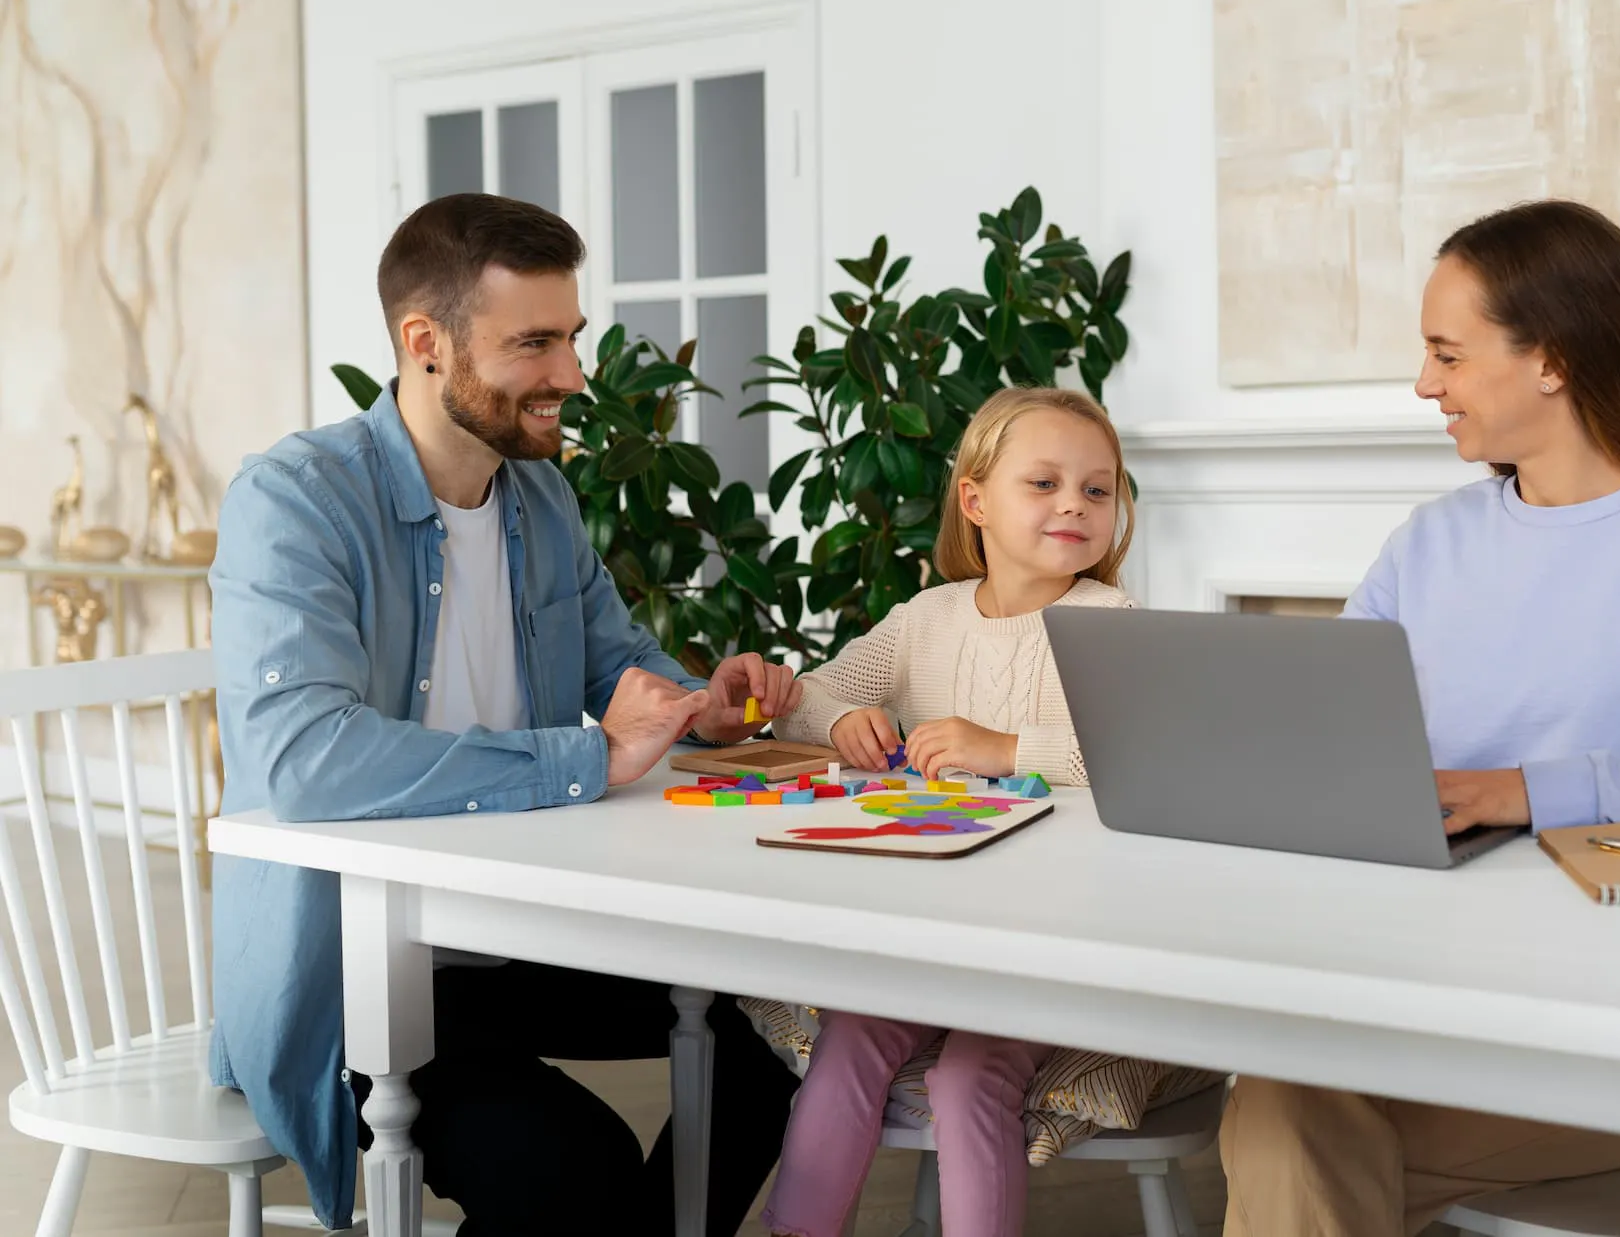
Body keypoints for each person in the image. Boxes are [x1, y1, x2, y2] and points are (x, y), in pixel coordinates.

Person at [1219, 199, 1620, 1236]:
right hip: (1422, 993)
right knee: (1286, 1100)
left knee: (1282, 1120)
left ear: (1551, 359)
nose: (1422, 383)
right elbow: (1322, 745)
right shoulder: (1425, 543)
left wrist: (1529, 789)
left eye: (1445, 353)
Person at [208, 193, 806, 1235]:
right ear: (425, 343)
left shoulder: (540, 501)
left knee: (791, 1027)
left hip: (523, 937)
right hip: (363, 978)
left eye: (569, 336)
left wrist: (702, 706)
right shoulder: (294, 501)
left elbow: (620, 670)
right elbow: (304, 762)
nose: (572, 376)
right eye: (534, 342)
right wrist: (579, 760)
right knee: (575, 1167)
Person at [760, 387, 1139, 1237]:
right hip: (932, 934)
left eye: (1097, 488)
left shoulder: (1113, 623)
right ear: (975, 500)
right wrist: (841, 719)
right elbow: (810, 696)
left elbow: (1142, 760)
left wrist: (1003, 749)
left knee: (970, 1077)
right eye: (1042, 482)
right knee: (853, 1035)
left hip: (1054, 944)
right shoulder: (925, 619)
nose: (1074, 503)